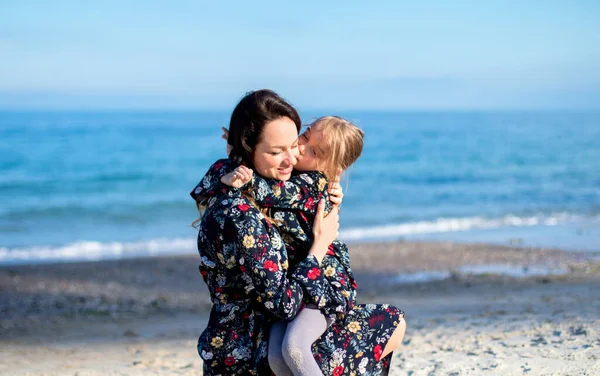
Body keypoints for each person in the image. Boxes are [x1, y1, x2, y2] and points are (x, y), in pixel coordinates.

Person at [216, 116, 407, 375]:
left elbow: (270, 191)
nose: (302, 148)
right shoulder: (295, 173)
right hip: (294, 283)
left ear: (333, 168)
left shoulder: (313, 183)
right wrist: (241, 150)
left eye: (315, 151)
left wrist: (241, 160)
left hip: (321, 285)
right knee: (275, 356)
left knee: (295, 348)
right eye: (305, 136)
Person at [191, 89, 342, 375]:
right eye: (276, 151)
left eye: (294, 144)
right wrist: (320, 247)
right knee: (384, 322)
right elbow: (285, 305)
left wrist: (332, 194)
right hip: (248, 354)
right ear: (248, 150)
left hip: (242, 340)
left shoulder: (244, 188)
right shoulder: (241, 214)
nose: (292, 159)